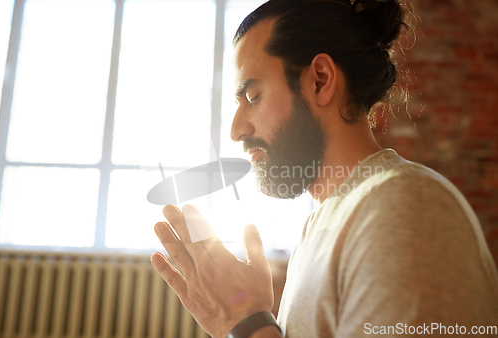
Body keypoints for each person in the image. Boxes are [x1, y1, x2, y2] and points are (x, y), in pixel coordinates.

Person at [150, 0, 498, 337]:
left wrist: (247, 325)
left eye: (253, 97)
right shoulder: (324, 223)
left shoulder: (403, 207)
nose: (236, 130)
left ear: (320, 79)